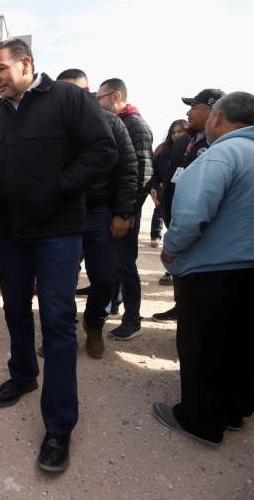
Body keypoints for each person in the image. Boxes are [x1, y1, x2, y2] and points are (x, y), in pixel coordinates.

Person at [0, 39, 117, 472]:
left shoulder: (68, 99)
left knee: (57, 322)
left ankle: (59, 426)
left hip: (58, 233)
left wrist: (59, 187)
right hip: (10, 233)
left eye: (1, 70)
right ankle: (24, 375)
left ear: (26, 63)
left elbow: (103, 151)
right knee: (13, 310)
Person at [153, 92, 254, 446]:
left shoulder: (222, 154)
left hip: (216, 271)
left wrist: (170, 250)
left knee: (203, 346)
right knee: (243, 344)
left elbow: (192, 215)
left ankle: (200, 420)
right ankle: (235, 410)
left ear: (219, 118)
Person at [56, 69, 138, 359]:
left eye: (76, 91)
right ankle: (62, 332)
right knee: (60, 280)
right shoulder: (51, 125)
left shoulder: (111, 123)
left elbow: (129, 170)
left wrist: (123, 212)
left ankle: (93, 324)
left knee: (104, 277)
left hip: (100, 213)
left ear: (88, 91)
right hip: (62, 214)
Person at [152, 88, 224, 307]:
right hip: (175, 217)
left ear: (213, 110)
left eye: (194, 107)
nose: (188, 113)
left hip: (203, 226)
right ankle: (179, 308)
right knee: (181, 273)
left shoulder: (219, 144)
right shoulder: (184, 140)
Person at [97, 78, 153, 340]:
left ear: (115, 96)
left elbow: (141, 173)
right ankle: (113, 305)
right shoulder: (119, 122)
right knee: (115, 263)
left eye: (100, 98)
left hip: (125, 210)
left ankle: (133, 319)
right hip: (115, 206)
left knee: (126, 265)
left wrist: (126, 213)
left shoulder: (135, 125)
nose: (98, 104)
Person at [149, 120, 188, 248]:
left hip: (185, 194)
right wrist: (154, 186)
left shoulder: (194, 149)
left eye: (180, 131)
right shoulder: (163, 150)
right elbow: (153, 170)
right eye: (173, 132)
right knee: (160, 210)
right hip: (165, 191)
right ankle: (156, 235)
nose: (176, 135)